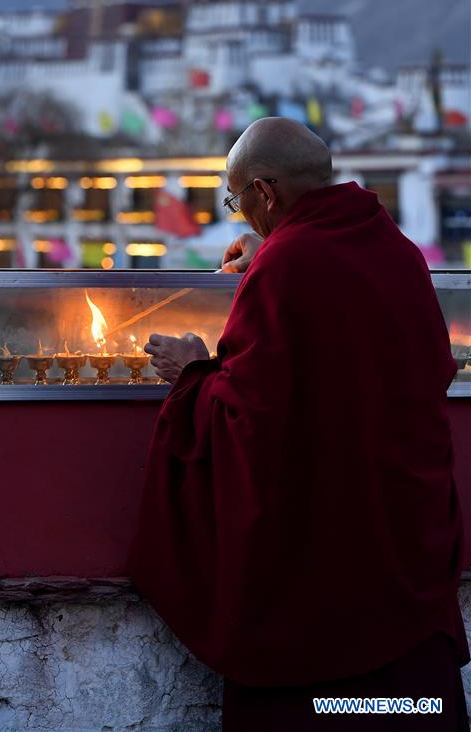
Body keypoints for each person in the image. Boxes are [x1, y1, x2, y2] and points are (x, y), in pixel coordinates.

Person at [128, 117, 470, 729]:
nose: (240, 218)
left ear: (264, 191)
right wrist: (274, 246)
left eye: (238, 202)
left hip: (323, 572)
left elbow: (252, 419)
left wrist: (191, 373)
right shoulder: (395, 250)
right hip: (400, 541)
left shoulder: (287, 266)